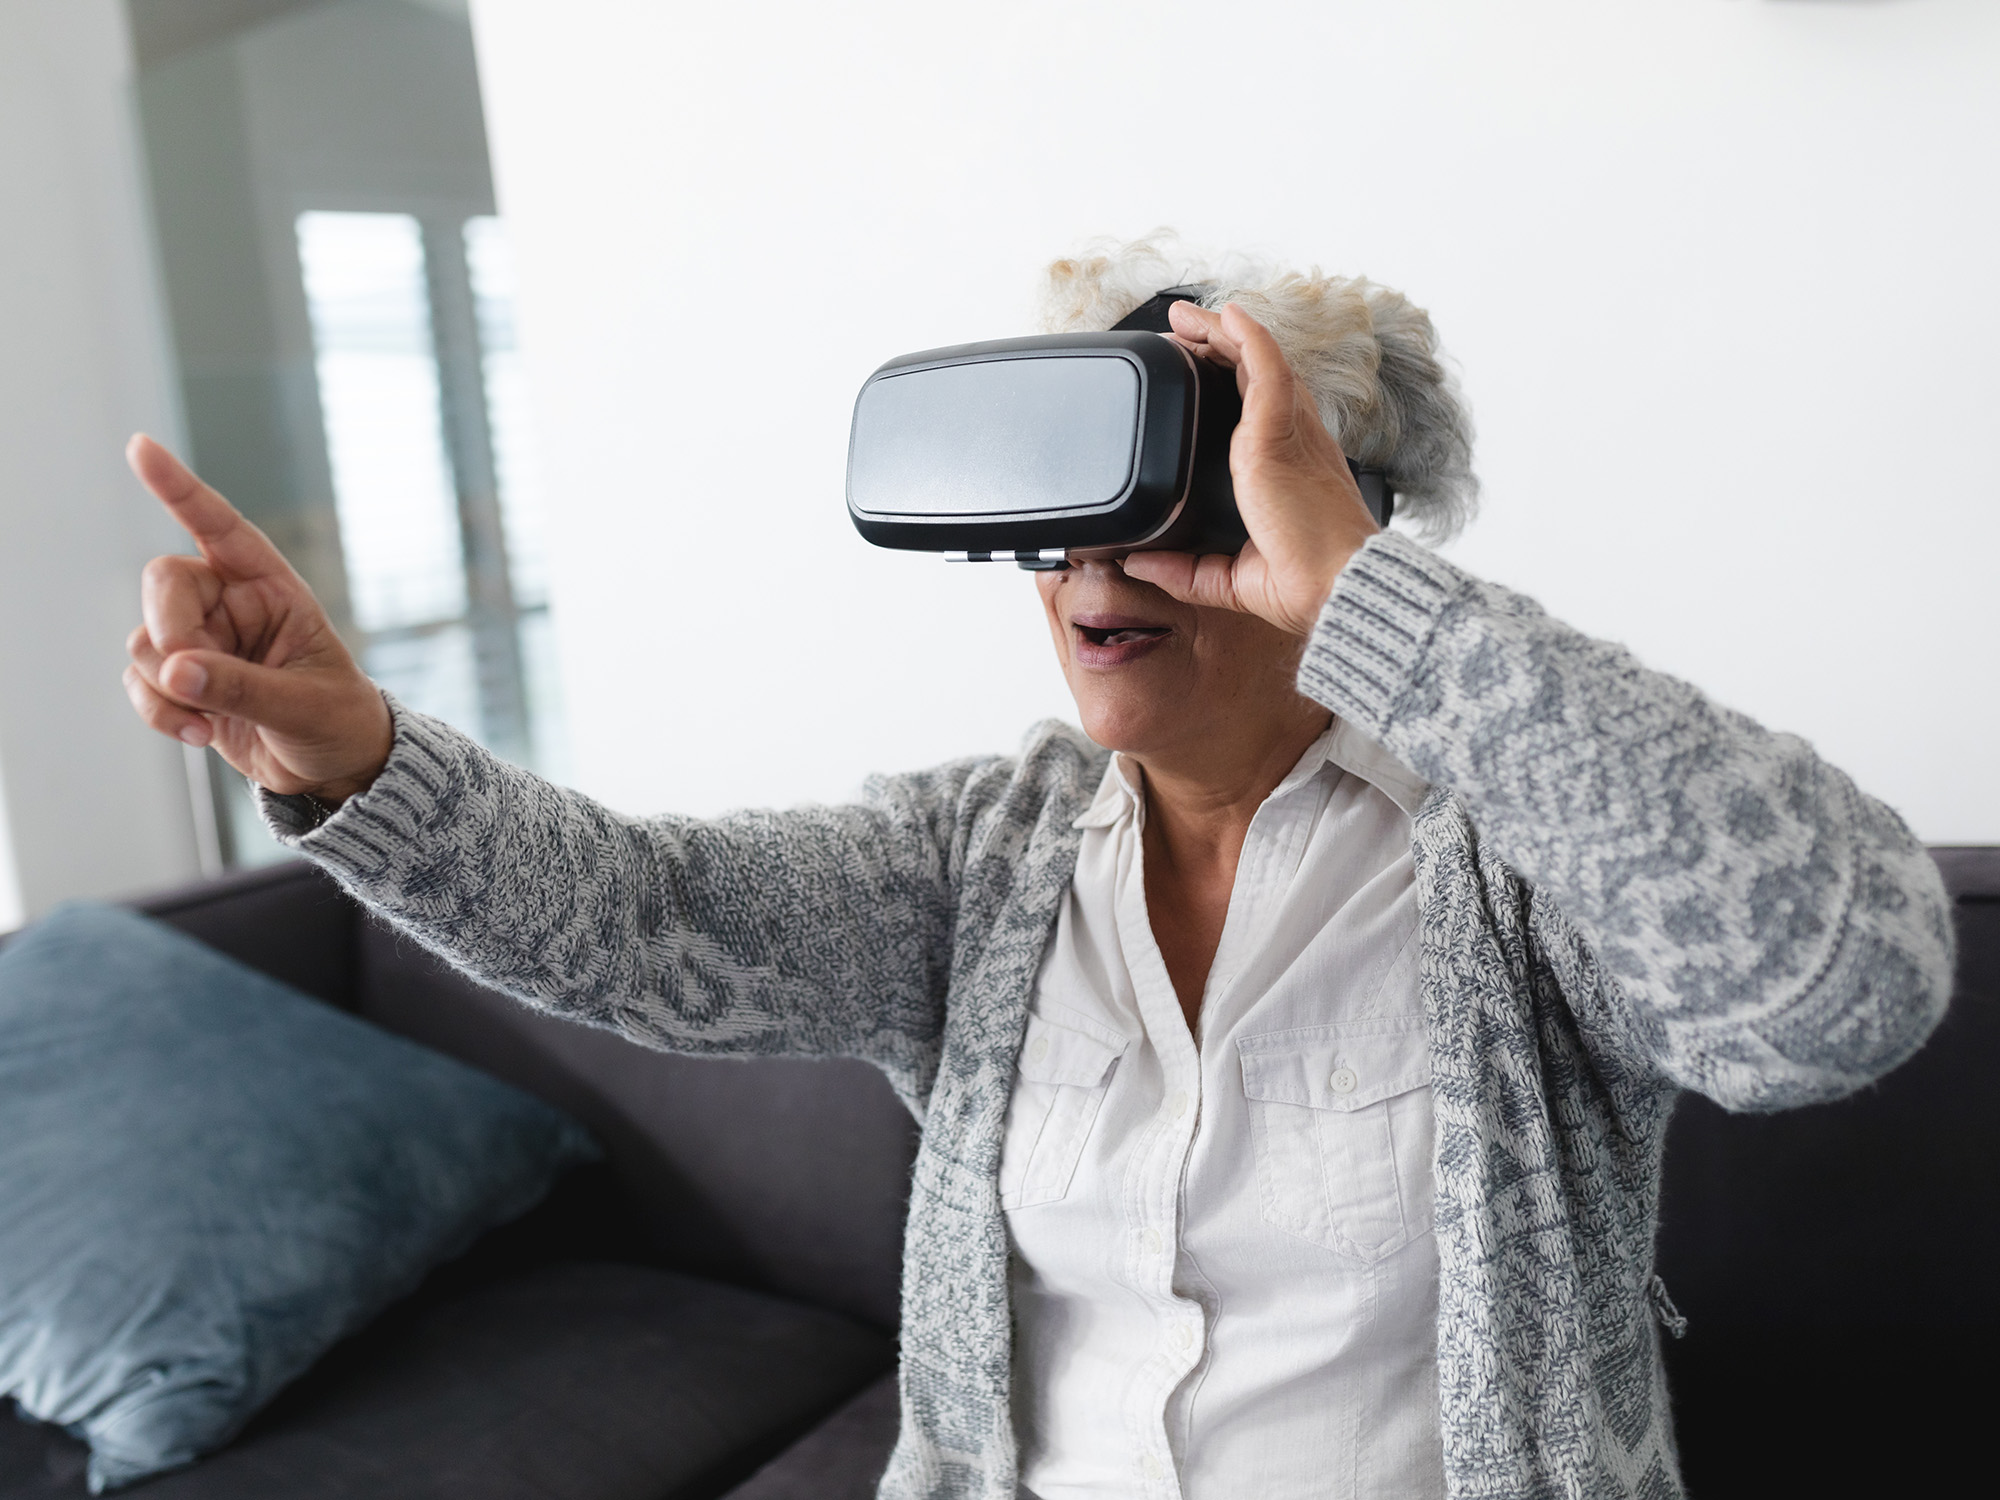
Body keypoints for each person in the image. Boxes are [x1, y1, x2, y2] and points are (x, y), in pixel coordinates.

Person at [120, 239, 1954, 1500]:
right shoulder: (976, 861)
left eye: (1171, 488)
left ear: (1324, 514)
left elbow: (1844, 984)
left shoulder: (1522, 862)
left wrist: (1390, 618)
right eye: (1060, 512)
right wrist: (353, 754)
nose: (1094, 563)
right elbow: (643, 921)